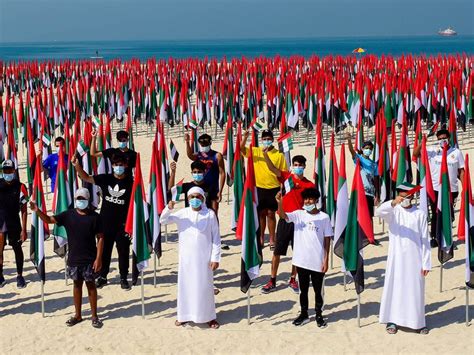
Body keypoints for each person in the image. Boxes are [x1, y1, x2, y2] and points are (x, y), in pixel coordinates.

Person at [30, 188, 105, 328]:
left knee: (91, 286)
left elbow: (100, 238)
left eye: (83, 199)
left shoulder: (95, 217)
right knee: (76, 285)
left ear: (88, 200)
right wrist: (37, 210)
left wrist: (99, 258)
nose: (80, 201)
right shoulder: (68, 215)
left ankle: (94, 316)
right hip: (74, 258)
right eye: (78, 199)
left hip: (90, 259)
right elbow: (49, 219)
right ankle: (78, 315)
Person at [160, 186, 221, 329]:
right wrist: (168, 208)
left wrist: (215, 258)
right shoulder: (183, 213)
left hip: (205, 260)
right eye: (192, 197)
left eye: (198, 197)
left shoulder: (210, 215)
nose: (195, 199)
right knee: (186, 287)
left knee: (205, 288)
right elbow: (163, 221)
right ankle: (183, 316)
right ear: (188, 199)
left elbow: (216, 239)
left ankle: (209, 317)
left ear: (203, 198)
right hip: (186, 260)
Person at [375, 182, 431, 335]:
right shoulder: (393, 212)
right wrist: (393, 202)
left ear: (412, 196)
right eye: (401, 194)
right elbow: (378, 212)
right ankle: (393, 320)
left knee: (415, 289)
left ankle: (418, 323)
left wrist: (426, 262)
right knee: (396, 287)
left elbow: (425, 238)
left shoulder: (420, 214)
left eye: (407, 194)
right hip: (397, 258)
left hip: (415, 258)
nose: (405, 197)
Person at [73, 153, 135, 290]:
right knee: (104, 251)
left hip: (123, 225)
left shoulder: (131, 183)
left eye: (121, 165)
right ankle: (102, 276)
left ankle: (124, 277)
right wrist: (77, 166)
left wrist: (132, 225)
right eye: (116, 165)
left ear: (125, 165)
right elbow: (86, 178)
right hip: (105, 223)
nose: (118, 167)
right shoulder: (106, 179)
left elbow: (136, 204)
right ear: (112, 166)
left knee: (123, 251)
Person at [276, 188, 332, 328]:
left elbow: (327, 240)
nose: (307, 201)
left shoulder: (324, 217)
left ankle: (319, 314)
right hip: (301, 261)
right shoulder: (299, 214)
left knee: (318, 291)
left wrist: (325, 260)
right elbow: (283, 216)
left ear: (316, 201)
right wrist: (280, 203)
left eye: (310, 199)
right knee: (303, 290)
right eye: (306, 199)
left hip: (317, 261)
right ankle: (304, 314)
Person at [261, 155, 316, 294]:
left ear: (304, 166)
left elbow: (312, 203)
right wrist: (265, 155)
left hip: (300, 222)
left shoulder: (309, 185)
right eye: (295, 165)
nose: (298, 167)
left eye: (300, 165)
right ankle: (272, 280)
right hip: (285, 219)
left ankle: (293, 279)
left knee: (298, 252)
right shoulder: (287, 178)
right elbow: (272, 168)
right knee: (277, 251)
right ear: (293, 165)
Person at [413, 128, 464, 247]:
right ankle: (435, 238)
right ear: (437, 139)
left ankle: (447, 238)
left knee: (449, 214)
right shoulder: (432, 151)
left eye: (444, 138)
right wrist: (423, 141)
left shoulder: (456, 152)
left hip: (451, 189)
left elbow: (461, 171)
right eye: (440, 138)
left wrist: (464, 186)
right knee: (436, 214)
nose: (442, 140)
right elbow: (415, 154)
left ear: (449, 138)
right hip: (435, 189)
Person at [240, 129, 287, 249]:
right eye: (264, 138)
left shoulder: (279, 154)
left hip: (274, 187)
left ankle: (272, 238)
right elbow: (240, 149)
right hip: (259, 188)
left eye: (269, 139)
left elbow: (283, 173)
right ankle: (260, 237)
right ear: (261, 140)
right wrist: (245, 137)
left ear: (272, 139)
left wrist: (282, 190)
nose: (267, 141)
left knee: (271, 214)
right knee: (261, 214)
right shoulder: (255, 151)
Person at [347, 132, 380, 245]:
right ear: (362, 148)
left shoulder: (374, 164)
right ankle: (356, 236)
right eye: (366, 148)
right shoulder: (359, 159)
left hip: (370, 193)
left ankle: (370, 237)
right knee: (357, 215)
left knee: (370, 215)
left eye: (370, 149)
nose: (368, 150)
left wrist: (377, 194)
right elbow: (351, 151)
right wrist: (349, 140)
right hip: (360, 191)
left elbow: (376, 180)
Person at [0, 160, 28, 288]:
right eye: (5, 171)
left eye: (9, 170)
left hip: (14, 223)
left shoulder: (21, 186)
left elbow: (24, 209)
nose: (7, 173)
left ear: (14, 171)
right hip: (0, 223)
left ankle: (20, 275)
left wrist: (24, 229)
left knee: (17, 249)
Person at [185, 133, 225, 214]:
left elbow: (222, 173)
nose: (203, 146)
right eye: (202, 144)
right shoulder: (198, 155)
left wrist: (220, 191)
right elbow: (190, 156)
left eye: (205, 144)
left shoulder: (217, 156)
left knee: (214, 211)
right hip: (201, 186)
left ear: (210, 143)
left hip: (213, 187)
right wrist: (187, 142)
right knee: (200, 210)